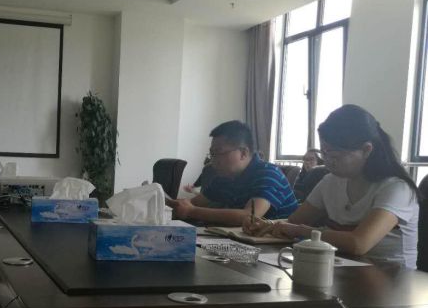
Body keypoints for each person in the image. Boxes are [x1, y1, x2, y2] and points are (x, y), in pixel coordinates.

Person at [245, 105, 420, 268]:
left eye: (335, 155)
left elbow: (358, 243)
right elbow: (294, 221)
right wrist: (267, 225)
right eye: (324, 153)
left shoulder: (397, 188)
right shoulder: (330, 182)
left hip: (391, 279)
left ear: (366, 150)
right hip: (342, 270)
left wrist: (301, 231)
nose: (328, 161)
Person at [168, 121, 298, 225]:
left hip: (280, 246)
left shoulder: (269, 174)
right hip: (242, 241)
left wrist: (192, 211)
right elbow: (192, 203)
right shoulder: (224, 178)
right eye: (212, 154)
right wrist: (169, 204)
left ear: (243, 153)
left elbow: (250, 216)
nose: (213, 161)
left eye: (219, 152)